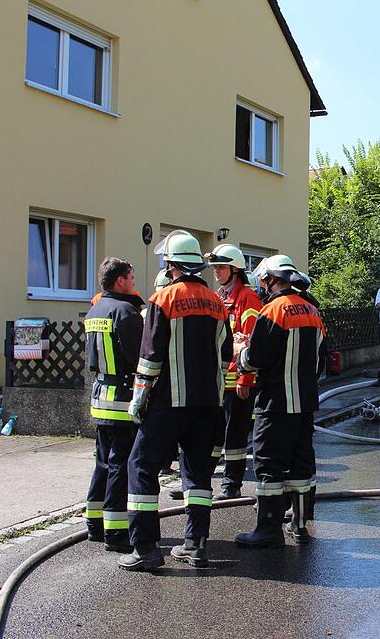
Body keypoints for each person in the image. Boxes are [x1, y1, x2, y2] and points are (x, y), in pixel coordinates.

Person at [120, 231, 232, 571]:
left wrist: (139, 398)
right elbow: (226, 357)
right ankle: (195, 546)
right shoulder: (216, 302)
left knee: (140, 466)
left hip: (168, 403)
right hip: (208, 405)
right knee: (197, 476)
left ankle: (146, 549)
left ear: (170, 264)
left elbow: (150, 356)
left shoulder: (162, 299)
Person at [235, 255, 326, 547]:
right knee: (301, 464)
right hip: (306, 402)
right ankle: (299, 527)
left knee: (268, 464)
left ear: (270, 280)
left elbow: (256, 359)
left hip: (275, 403)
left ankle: (268, 529)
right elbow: (321, 360)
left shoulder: (273, 310)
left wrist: (239, 352)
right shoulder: (313, 311)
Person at [84, 258, 144, 553]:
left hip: (100, 397)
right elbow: (138, 357)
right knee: (120, 465)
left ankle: (94, 523)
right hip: (122, 400)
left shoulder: (95, 310)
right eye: (131, 277)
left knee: (102, 463)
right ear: (120, 280)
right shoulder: (126, 312)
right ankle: (116, 531)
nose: (134, 281)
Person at [204, 243, 263, 501]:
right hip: (218, 379)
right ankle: (200, 481)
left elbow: (251, 343)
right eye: (215, 267)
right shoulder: (219, 296)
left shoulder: (247, 299)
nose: (216, 271)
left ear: (235, 270)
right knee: (213, 433)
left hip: (237, 380)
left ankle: (231, 485)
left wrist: (245, 379)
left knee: (234, 434)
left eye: (221, 267)